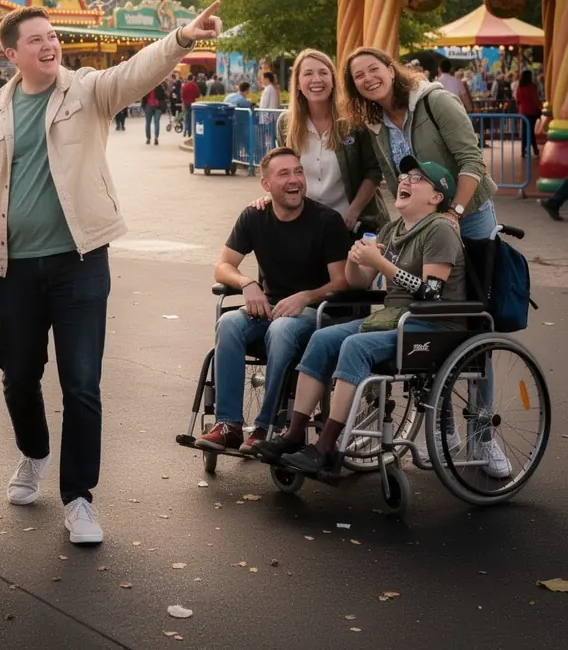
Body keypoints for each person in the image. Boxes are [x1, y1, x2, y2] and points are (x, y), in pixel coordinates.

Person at [0, 2, 223, 545]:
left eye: (51, 35)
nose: (48, 44)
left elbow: (135, 73)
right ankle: (34, 454)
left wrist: (181, 38)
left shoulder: (86, 90)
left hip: (81, 261)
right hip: (15, 267)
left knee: (82, 383)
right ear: (11, 53)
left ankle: (79, 497)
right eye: (34, 40)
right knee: (17, 375)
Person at [253, 155, 510, 479]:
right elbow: (360, 283)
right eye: (405, 176)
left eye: (417, 178)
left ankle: (327, 448)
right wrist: (357, 259)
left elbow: (430, 293)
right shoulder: (394, 228)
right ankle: (293, 435)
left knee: (355, 347)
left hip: (433, 326)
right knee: (321, 338)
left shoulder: (440, 229)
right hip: (395, 318)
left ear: (435, 197)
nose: (405, 181)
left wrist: (383, 264)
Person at [195, 148, 350, 455]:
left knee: (281, 330)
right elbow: (222, 266)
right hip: (267, 308)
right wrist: (247, 283)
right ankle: (228, 425)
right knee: (228, 322)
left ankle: (268, 426)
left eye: (298, 172)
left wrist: (306, 296)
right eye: (284, 174)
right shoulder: (254, 216)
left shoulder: (326, 221)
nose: (295, 180)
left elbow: (341, 280)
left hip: (312, 314)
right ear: (265, 185)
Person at [344, 46, 499, 241]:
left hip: (469, 213)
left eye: (374, 69)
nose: (368, 78)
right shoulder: (375, 125)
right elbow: (394, 178)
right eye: (359, 75)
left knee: (481, 270)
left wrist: (454, 212)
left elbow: (472, 161)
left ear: (391, 71)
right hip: (424, 222)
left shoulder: (436, 101)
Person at [277, 49, 386, 235]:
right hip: (306, 223)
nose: (316, 79)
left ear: (334, 80)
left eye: (323, 72)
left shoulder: (354, 122)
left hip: (351, 224)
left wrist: (353, 211)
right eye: (308, 73)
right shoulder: (285, 123)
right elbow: (281, 172)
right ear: (297, 83)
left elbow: (374, 170)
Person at [514, 69, 542, 157]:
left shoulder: (519, 87)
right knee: (531, 131)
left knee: (524, 131)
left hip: (523, 111)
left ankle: (523, 150)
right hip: (531, 111)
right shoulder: (532, 87)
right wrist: (540, 108)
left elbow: (517, 100)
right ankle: (534, 149)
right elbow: (535, 99)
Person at [142, 81, 167, 146]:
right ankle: (156, 137)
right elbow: (164, 97)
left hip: (148, 106)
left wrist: (144, 106)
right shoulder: (159, 86)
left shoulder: (146, 87)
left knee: (148, 123)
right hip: (157, 106)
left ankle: (148, 138)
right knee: (156, 123)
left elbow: (143, 97)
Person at [181, 73, 200, 137]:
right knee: (192, 117)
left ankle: (186, 130)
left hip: (186, 103)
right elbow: (198, 95)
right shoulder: (194, 86)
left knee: (187, 116)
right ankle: (190, 132)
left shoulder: (184, 86)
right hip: (193, 103)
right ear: (192, 78)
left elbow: (182, 95)